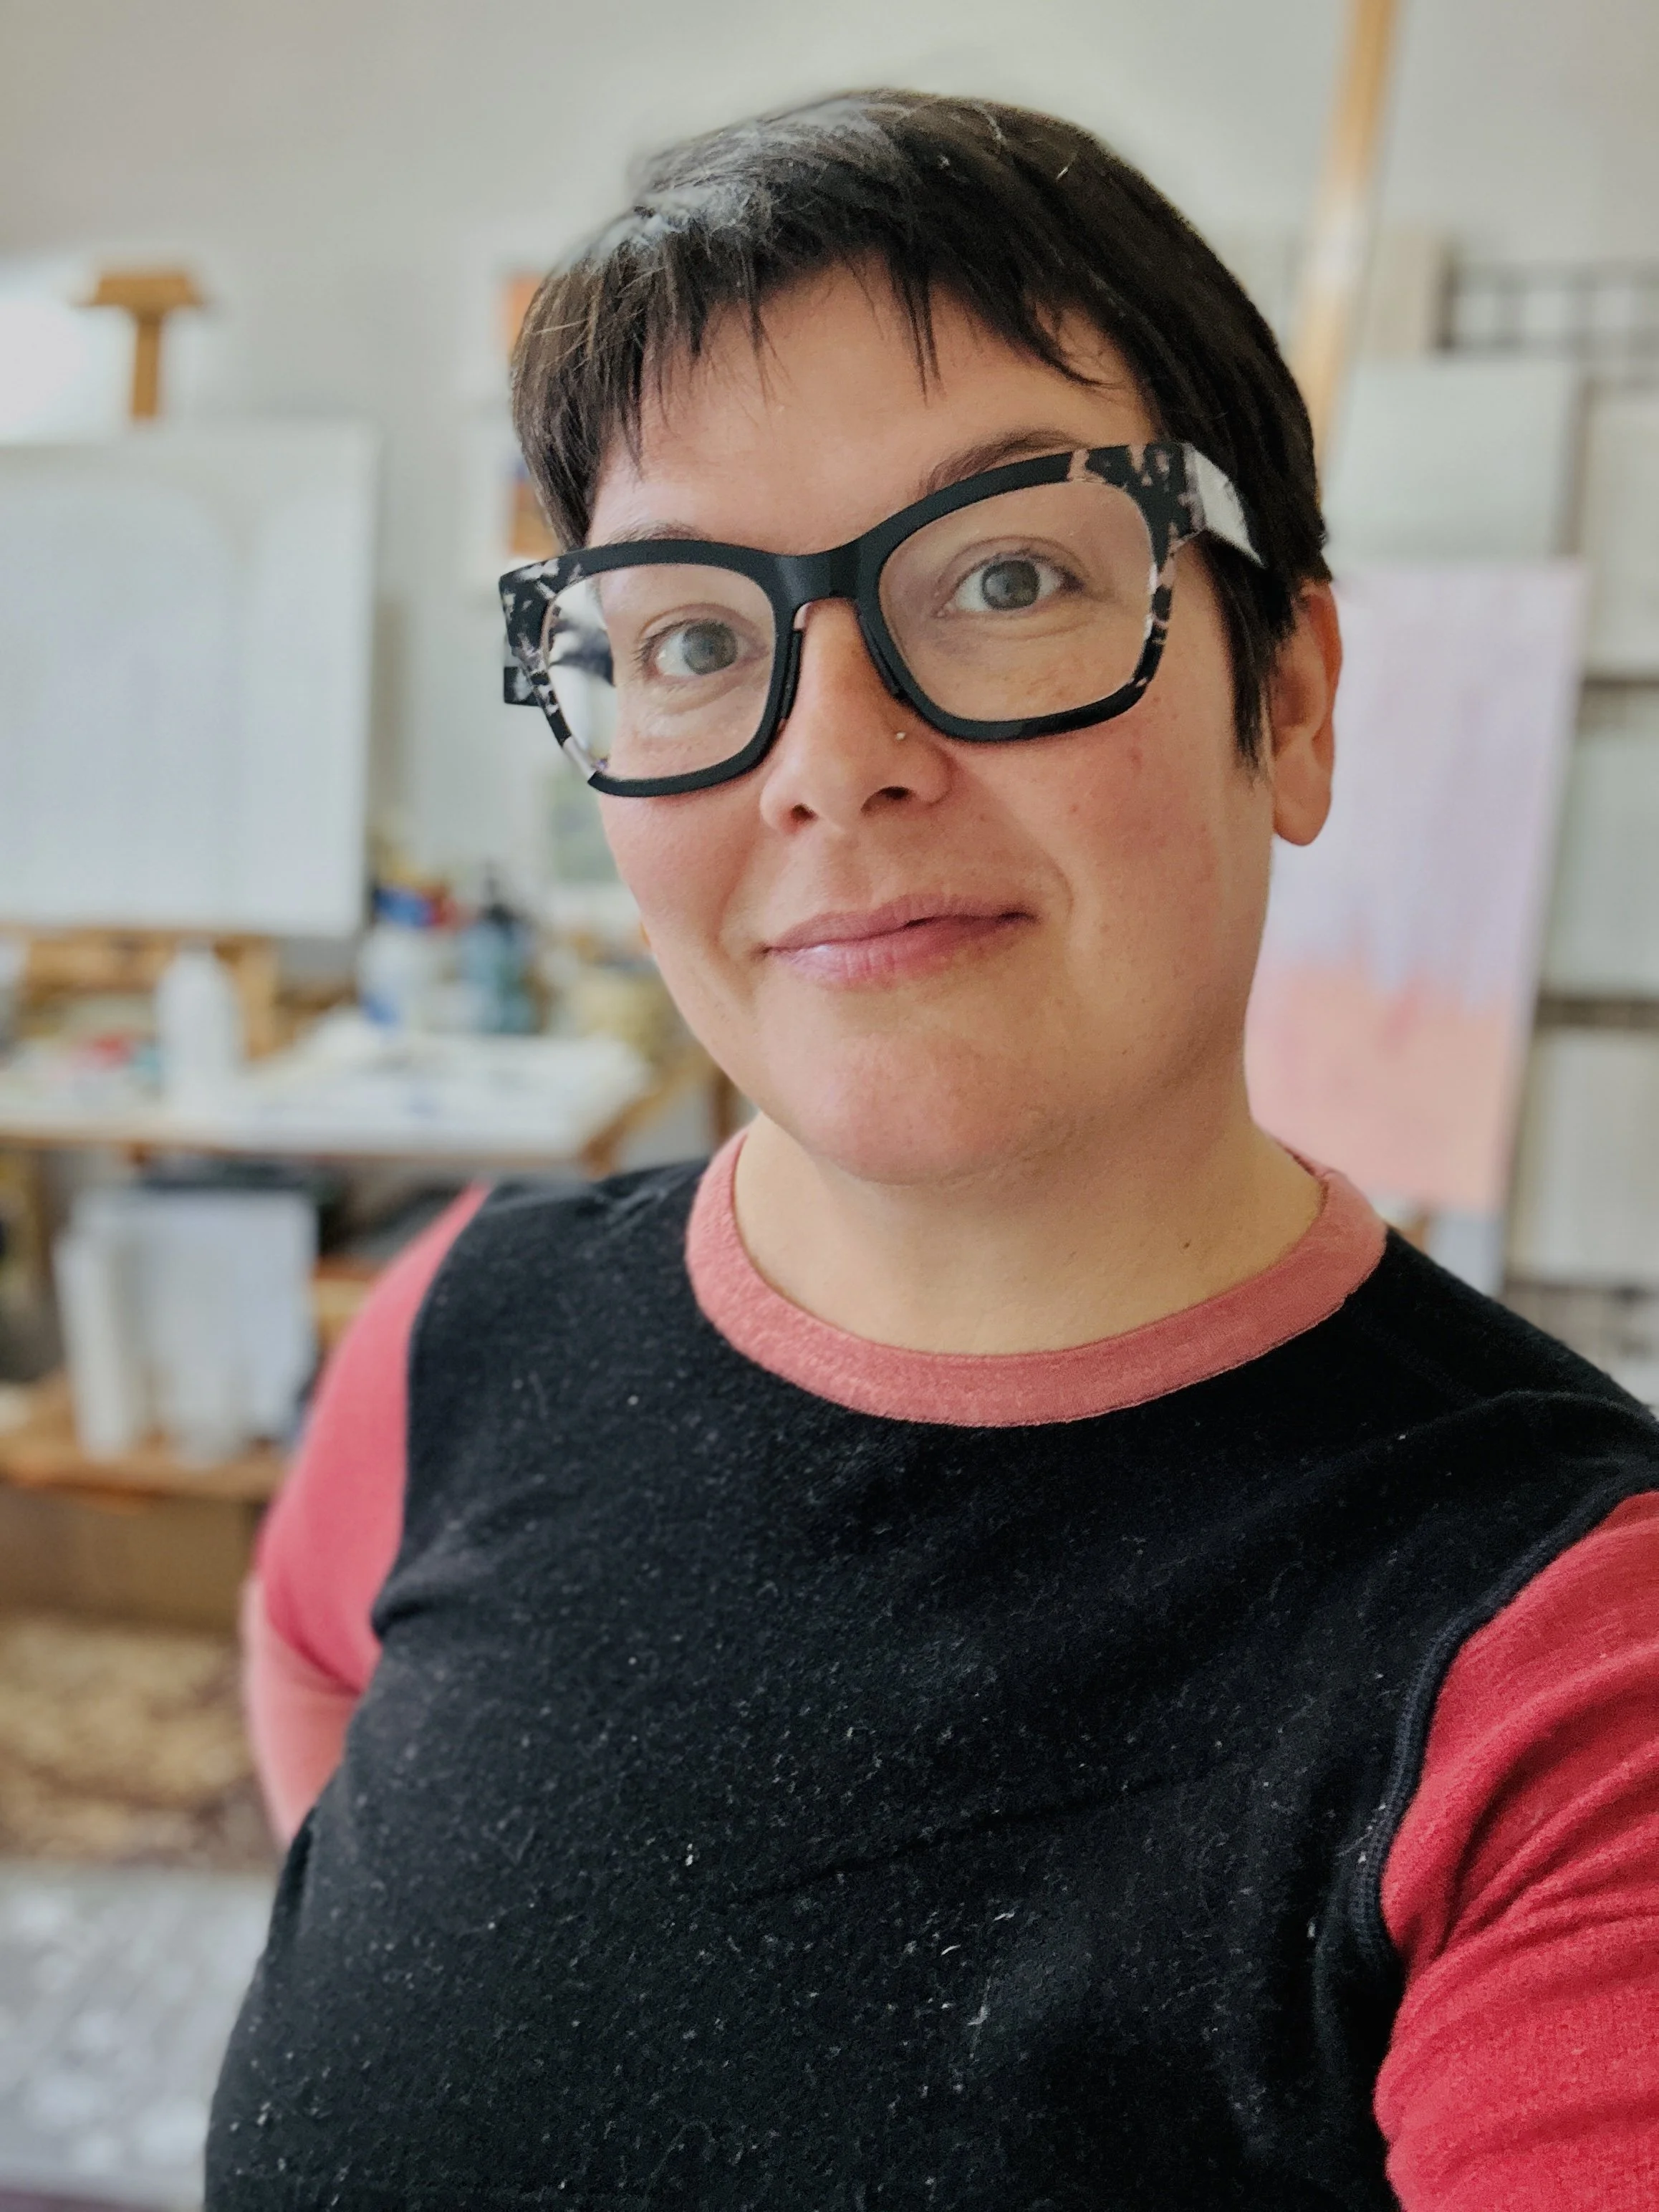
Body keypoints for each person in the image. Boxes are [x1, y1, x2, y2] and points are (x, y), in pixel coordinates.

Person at [208, 92, 1659, 2209]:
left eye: (1000, 575)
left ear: (1293, 701)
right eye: (693, 635)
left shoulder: (1565, 1673)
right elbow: (309, 1657)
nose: (836, 763)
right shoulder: (467, 1324)